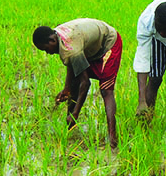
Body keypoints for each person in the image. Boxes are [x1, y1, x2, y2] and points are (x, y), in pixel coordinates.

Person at [33, 18, 122, 149]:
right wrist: (67, 89)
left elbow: (85, 83)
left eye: (46, 49)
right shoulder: (59, 35)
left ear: (52, 41)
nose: (48, 53)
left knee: (106, 90)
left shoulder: (71, 49)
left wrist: (76, 113)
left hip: (108, 43)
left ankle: (113, 138)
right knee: (74, 82)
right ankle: (69, 127)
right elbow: (72, 63)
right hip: (89, 45)